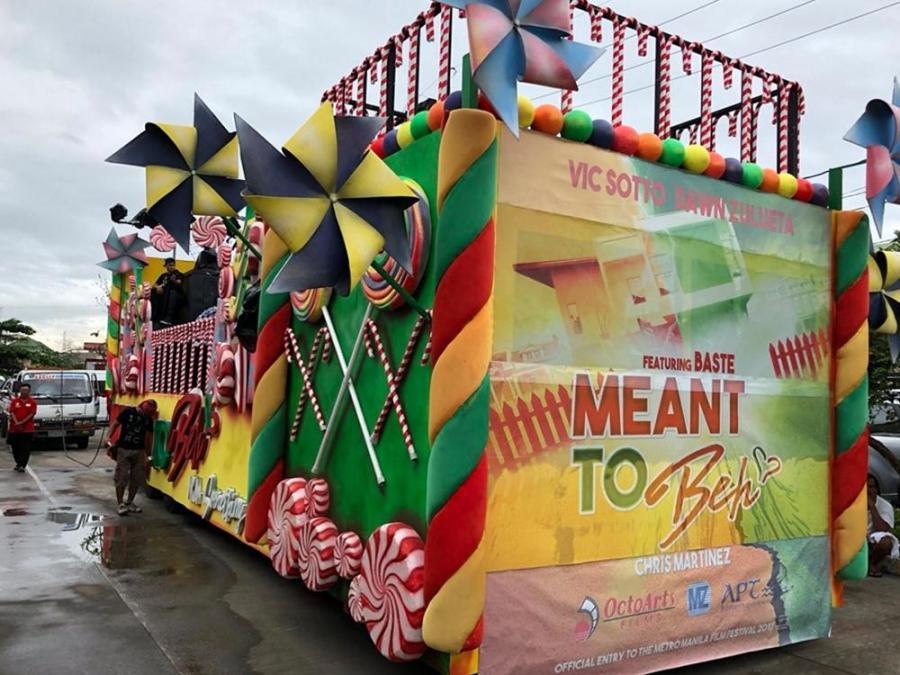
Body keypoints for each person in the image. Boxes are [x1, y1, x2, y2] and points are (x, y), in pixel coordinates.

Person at [110, 399, 157, 515]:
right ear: (140, 407)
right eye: (144, 412)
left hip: (139, 450)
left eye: (147, 414)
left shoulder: (148, 419)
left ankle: (129, 502)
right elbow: (115, 424)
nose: (145, 415)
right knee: (122, 476)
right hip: (124, 448)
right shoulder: (128, 412)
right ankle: (120, 503)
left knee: (137, 478)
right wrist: (108, 437)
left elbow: (149, 438)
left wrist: (148, 454)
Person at [867, 475, 899, 576]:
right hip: (855, 540)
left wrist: (872, 506)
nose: (868, 490)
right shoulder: (853, 503)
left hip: (872, 542)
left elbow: (882, 529)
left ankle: (872, 564)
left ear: (876, 489)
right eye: (865, 487)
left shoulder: (885, 506)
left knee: (885, 542)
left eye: (871, 487)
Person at [8, 383, 37, 472]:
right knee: (15, 447)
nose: (24, 392)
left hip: (27, 430)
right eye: (23, 390)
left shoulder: (32, 402)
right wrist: (17, 423)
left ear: (29, 391)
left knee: (25, 448)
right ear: (20, 390)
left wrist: (21, 423)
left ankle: (22, 465)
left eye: (26, 390)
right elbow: (11, 412)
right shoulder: (15, 401)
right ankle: (18, 462)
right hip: (14, 429)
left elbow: (31, 414)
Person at [152, 257, 185, 326]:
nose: (172, 267)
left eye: (173, 265)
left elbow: (180, 283)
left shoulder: (178, 274)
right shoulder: (163, 275)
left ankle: (169, 318)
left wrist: (174, 281)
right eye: (170, 265)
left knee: (172, 293)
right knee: (152, 292)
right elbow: (155, 284)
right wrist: (158, 287)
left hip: (173, 295)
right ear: (166, 266)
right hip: (162, 294)